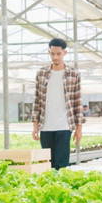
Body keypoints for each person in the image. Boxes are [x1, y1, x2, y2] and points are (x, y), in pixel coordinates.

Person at [31, 38, 83, 170]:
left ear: (64, 53)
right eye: (52, 53)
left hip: (65, 125)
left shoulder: (73, 74)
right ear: (49, 52)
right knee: (48, 164)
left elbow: (77, 102)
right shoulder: (41, 73)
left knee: (62, 165)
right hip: (45, 126)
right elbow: (37, 100)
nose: (55, 57)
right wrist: (35, 126)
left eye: (58, 54)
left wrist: (79, 129)